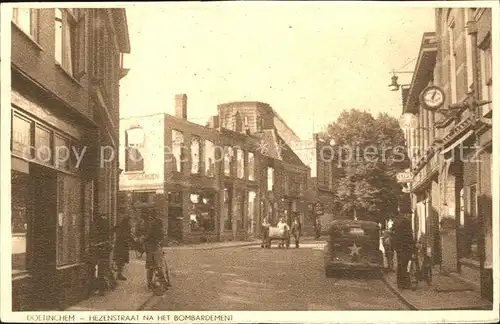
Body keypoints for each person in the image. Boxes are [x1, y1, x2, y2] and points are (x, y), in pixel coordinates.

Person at [140, 209, 168, 290]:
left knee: (150, 267)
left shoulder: (151, 224)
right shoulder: (160, 223)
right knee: (158, 265)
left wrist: (142, 240)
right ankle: (163, 282)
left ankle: (149, 283)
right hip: (157, 246)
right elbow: (162, 234)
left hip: (150, 247)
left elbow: (148, 235)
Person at [392, 216, 415, 289]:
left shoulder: (397, 222)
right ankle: (406, 283)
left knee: (400, 266)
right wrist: (413, 246)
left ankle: (400, 283)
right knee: (406, 266)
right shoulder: (406, 223)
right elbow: (409, 238)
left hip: (399, 248)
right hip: (406, 249)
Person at [113, 214, 133, 280]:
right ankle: (119, 274)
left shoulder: (118, 225)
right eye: (129, 220)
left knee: (119, 259)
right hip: (123, 245)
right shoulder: (128, 227)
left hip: (118, 244)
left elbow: (112, 230)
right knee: (121, 260)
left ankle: (119, 274)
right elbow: (129, 236)